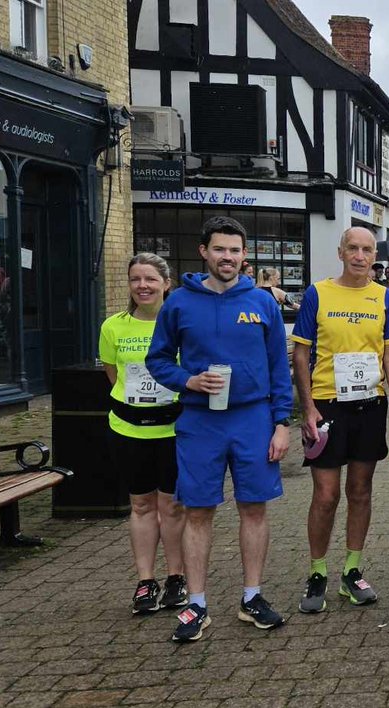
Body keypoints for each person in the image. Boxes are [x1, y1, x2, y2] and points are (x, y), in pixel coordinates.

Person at [147, 216, 292, 642]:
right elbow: (157, 360)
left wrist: (282, 423)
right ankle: (196, 604)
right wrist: (187, 381)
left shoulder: (262, 302)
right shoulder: (178, 303)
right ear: (204, 252)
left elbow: (277, 367)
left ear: (244, 256)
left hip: (252, 419)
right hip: (200, 420)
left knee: (254, 508)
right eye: (219, 249)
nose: (227, 257)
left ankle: (252, 596)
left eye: (235, 250)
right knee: (198, 511)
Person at [290, 227, 389, 612]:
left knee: (361, 491)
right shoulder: (318, 293)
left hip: (369, 404)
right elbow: (301, 355)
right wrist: (307, 409)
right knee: (325, 495)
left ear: (374, 256)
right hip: (327, 405)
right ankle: (317, 571)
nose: (359, 255)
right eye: (352, 248)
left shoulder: (386, 297)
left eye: (366, 249)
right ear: (340, 252)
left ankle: (352, 571)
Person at [99, 253, 186, 616]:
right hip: (129, 428)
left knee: (172, 506)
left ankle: (176, 578)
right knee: (140, 504)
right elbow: (112, 374)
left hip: (173, 429)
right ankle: (145, 580)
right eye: (136, 279)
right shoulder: (113, 326)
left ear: (166, 283)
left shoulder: (181, 325)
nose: (143, 286)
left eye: (150, 279)